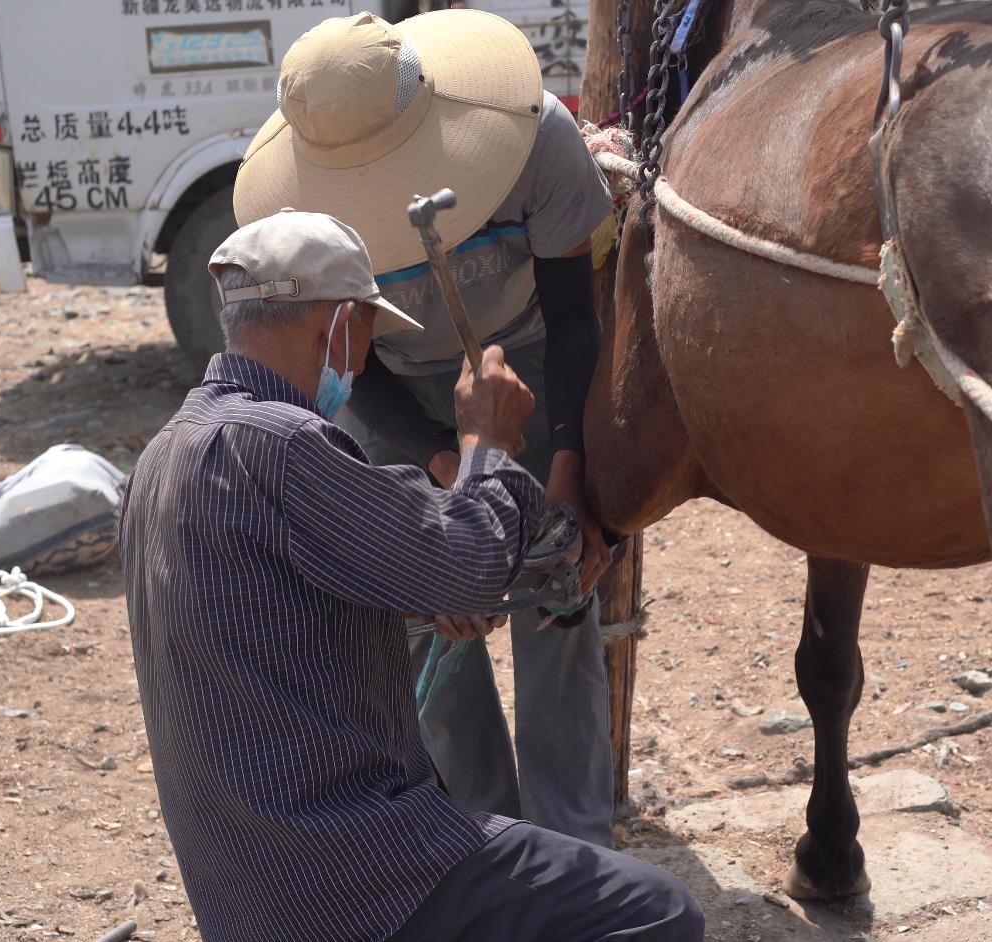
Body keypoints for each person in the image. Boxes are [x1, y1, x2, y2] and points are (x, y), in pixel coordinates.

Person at [120, 209, 703, 941]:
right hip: (358, 870)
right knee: (655, 911)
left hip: (248, 890)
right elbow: (467, 568)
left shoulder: (163, 459)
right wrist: (486, 442)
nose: (362, 362)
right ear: (335, 323)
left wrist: (415, 605)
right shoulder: (284, 443)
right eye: (367, 330)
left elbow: (262, 614)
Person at [234, 11, 619, 846]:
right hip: (397, 390)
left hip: (537, 360)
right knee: (421, 616)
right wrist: (447, 470)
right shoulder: (297, 217)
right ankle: (489, 840)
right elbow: (351, 368)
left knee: (559, 593)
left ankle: (579, 852)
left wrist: (569, 477)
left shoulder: (534, 135)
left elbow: (575, 313)